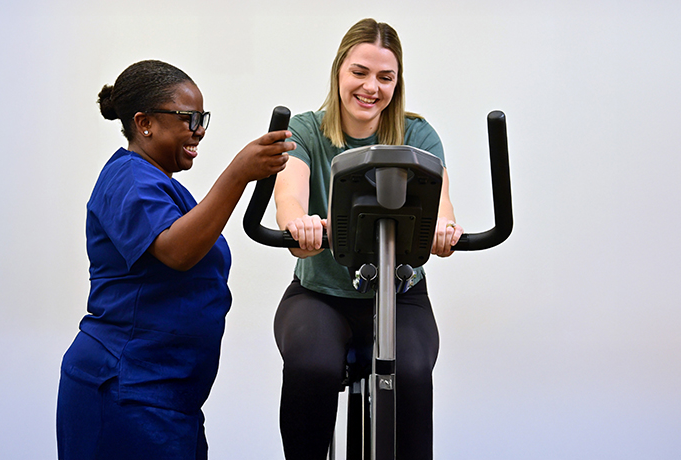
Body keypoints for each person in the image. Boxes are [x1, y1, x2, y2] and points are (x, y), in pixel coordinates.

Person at [56, 60, 294, 460]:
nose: (199, 129)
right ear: (144, 123)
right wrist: (238, 175)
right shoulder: (127, 178)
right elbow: (177, 251)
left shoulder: (162, 187)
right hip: (125, 391)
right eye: (189, 118)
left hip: (168, 399)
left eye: (202, 119)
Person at [272, 18, 463, 459]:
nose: (370, 87)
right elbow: (289, 195)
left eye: (384, 77)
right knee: (311, 368)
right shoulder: (305, 130)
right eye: (359, 72)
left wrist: (443, 229)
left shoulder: (417, 134)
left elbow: (442, 204)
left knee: (412, 376)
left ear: (397, 83)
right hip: (320, 296)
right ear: (340, 70)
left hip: (401, 296)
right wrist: (298, 224)